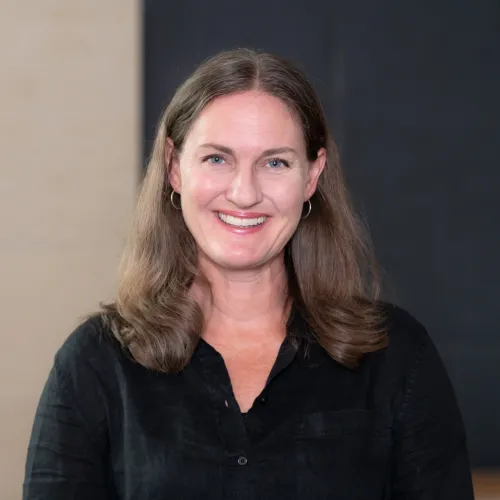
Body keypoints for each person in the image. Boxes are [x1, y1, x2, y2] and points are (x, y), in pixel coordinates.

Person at [23, 48, 474, 499]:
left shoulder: (396, 357)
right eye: (217, 159)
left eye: (275, 162)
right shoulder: (94, 366)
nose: (244, 193)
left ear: (312, 176)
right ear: (173, 166)